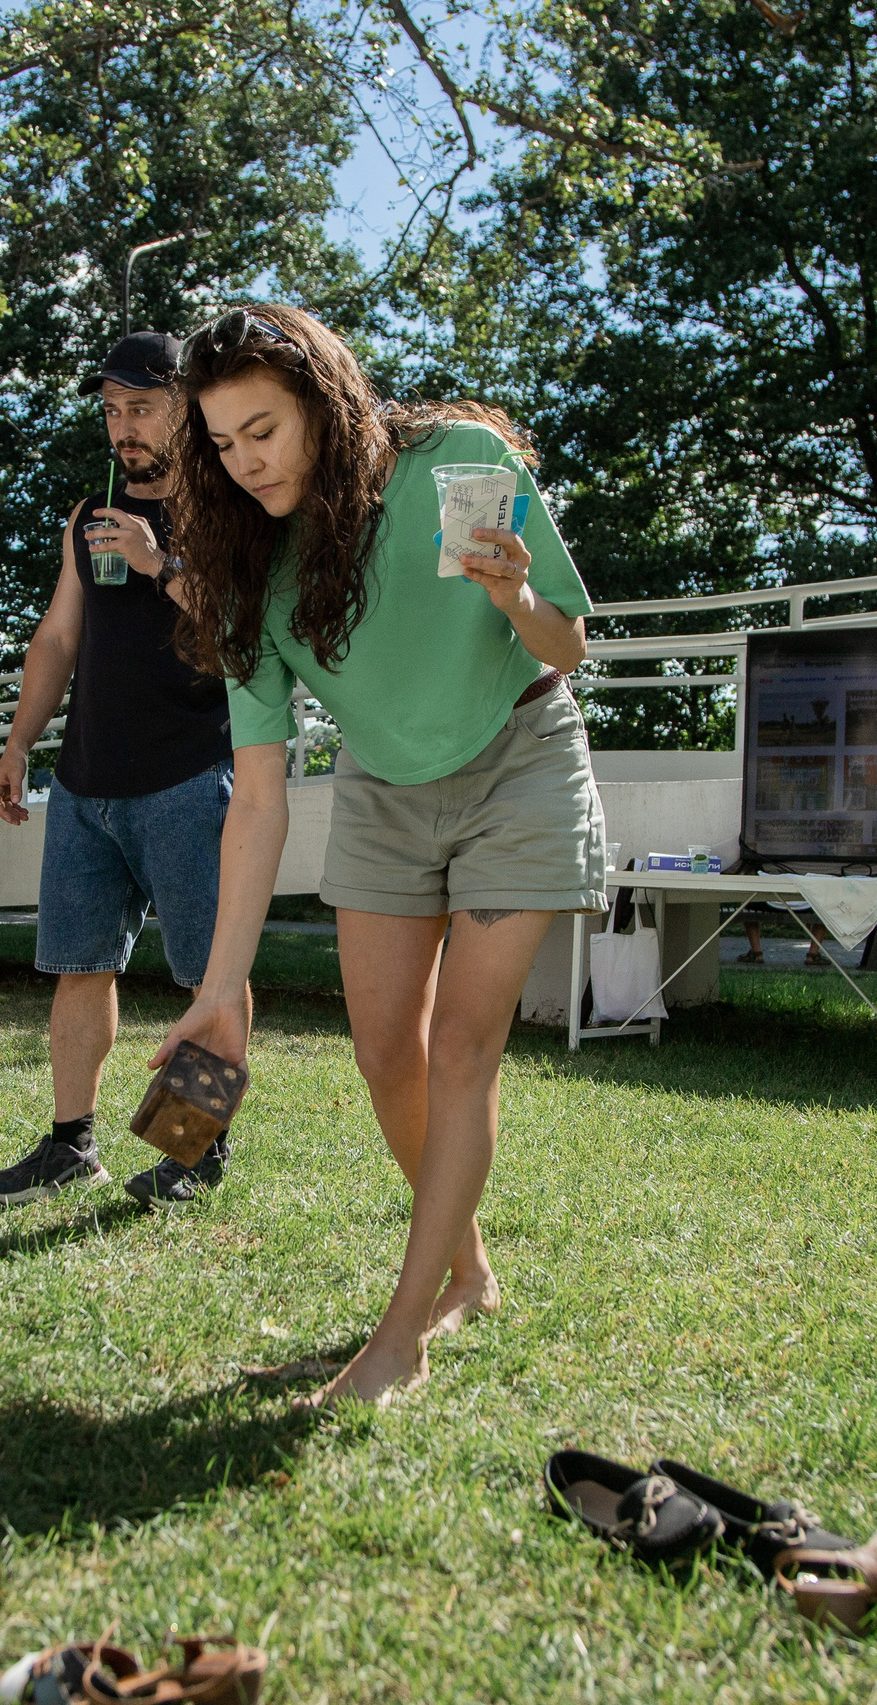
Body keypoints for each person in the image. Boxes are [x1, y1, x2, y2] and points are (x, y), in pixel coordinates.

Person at [154, 306, 602, 1406]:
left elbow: (570, 641)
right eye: (221, 442)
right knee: (382, 1057)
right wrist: (221, 990)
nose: (244, 460)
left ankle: (403, 1332)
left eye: (262, 428)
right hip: (384, 790)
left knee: (461, 1049)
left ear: (323, 402)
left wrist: (514, 595)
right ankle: (472, 1268)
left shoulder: (456, 464)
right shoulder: (248, 569)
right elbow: (255, 797)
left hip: (518, 759)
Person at [0, 331, 246, 1209]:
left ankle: (195, 1151)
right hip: (87, 780)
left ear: (183, 408)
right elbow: (58, 637)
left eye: (139, 408)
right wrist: (18, 745)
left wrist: (159, 560)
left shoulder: (227, 503)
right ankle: (69, 1145)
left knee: (213, 972)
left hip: (190, 774)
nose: (121, 427)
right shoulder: (90, 510)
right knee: (79, 967)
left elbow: (241, 632)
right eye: (110, 410)